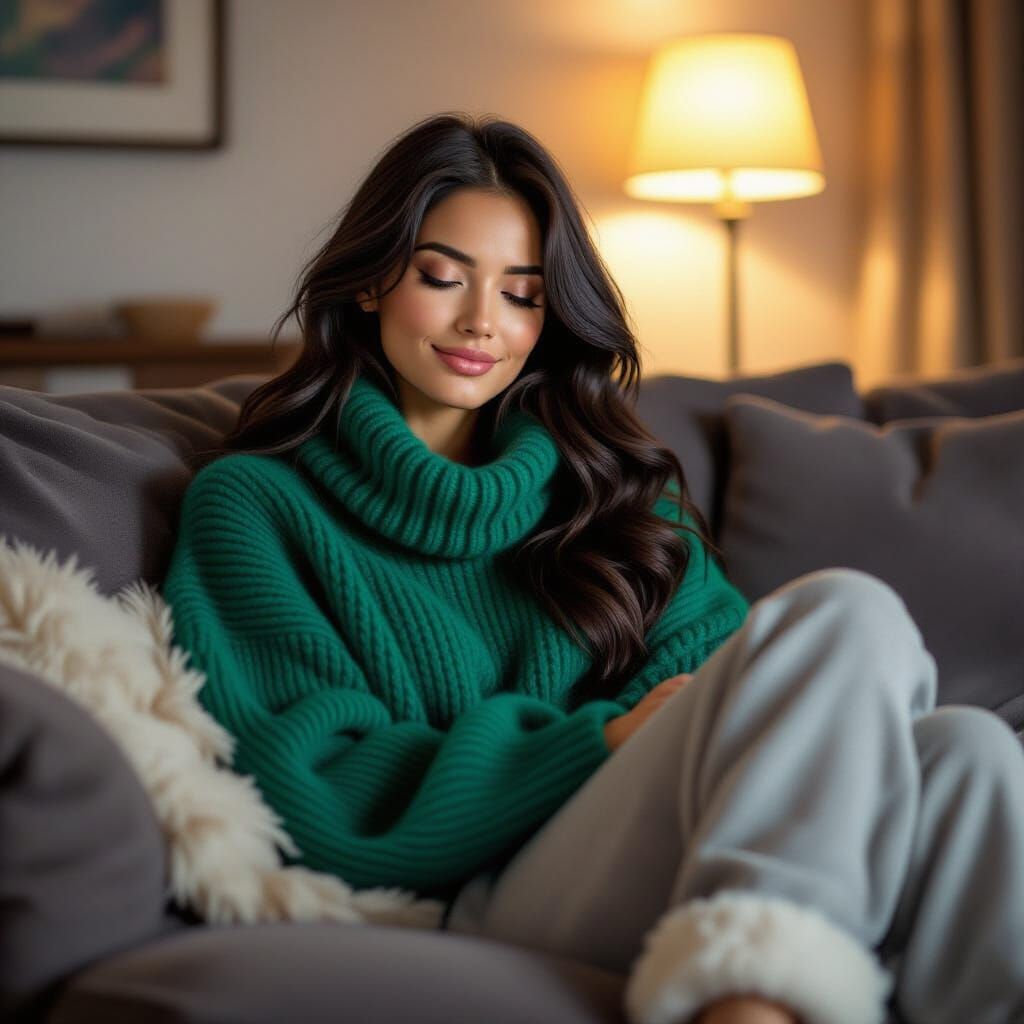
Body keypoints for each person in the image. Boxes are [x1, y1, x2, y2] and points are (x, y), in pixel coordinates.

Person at [160, 112, 1024, 1024]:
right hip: (493, 885)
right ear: (374, 281)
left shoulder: (609, 486)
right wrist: (601, 740)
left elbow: (724, 683)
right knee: (847, 612)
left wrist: (673, 724)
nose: (480, 322)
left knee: (967, 753)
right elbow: (311, 781)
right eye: (443, 277)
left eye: (523, 294)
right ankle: (753, 997)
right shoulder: (258, 504)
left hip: (685, 842)